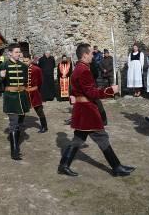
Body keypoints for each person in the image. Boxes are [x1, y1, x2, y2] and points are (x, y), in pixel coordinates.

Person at [58, 43, 135, 177]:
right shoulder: (83, 70)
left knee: (78, 139)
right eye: (91, 53)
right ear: (84, 55)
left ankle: (63, 165)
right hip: (87, 111)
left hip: (82, 110)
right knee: (102, 137)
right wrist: (111, 90)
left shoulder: (79, 68)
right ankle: (116, 167)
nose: (93, 55)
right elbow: (92, 93)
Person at [0, 43, 31, 160]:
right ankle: (14, 151)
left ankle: (16, 146)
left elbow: (26, 83)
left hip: (22, 97)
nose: (19, 54)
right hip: (11, 98)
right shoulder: (4, 65)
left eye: (19, 52)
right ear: (10, 53)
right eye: (17, 52)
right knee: (13, 123)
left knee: (18, 124)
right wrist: (1, 77)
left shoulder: (24, 66)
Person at [24, 54, 48, 133]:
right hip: (25, 93)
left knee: (39, 110)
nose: (25, 62)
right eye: (23, 61)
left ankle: (44, 126)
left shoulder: (37, 69)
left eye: (26, 61)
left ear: (30, 60)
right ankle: (20, 125)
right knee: (22, 110)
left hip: (34, 93)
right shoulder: (22, 69)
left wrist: (40, 93)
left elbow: (41, 82)